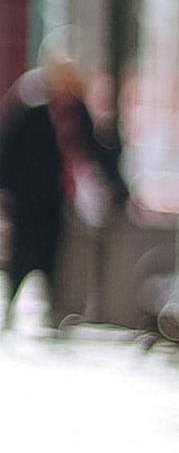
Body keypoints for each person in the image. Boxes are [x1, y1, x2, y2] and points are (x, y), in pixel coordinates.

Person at [0, 49, 119, 332]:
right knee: (23, 252)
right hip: (28, 196)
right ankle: (12, 307)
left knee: (53, 253)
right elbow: (9, 149)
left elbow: (92, 146)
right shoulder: (32, 104)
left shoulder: (75, 107)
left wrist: (115, 180)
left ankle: (54, 310)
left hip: (57, 196)